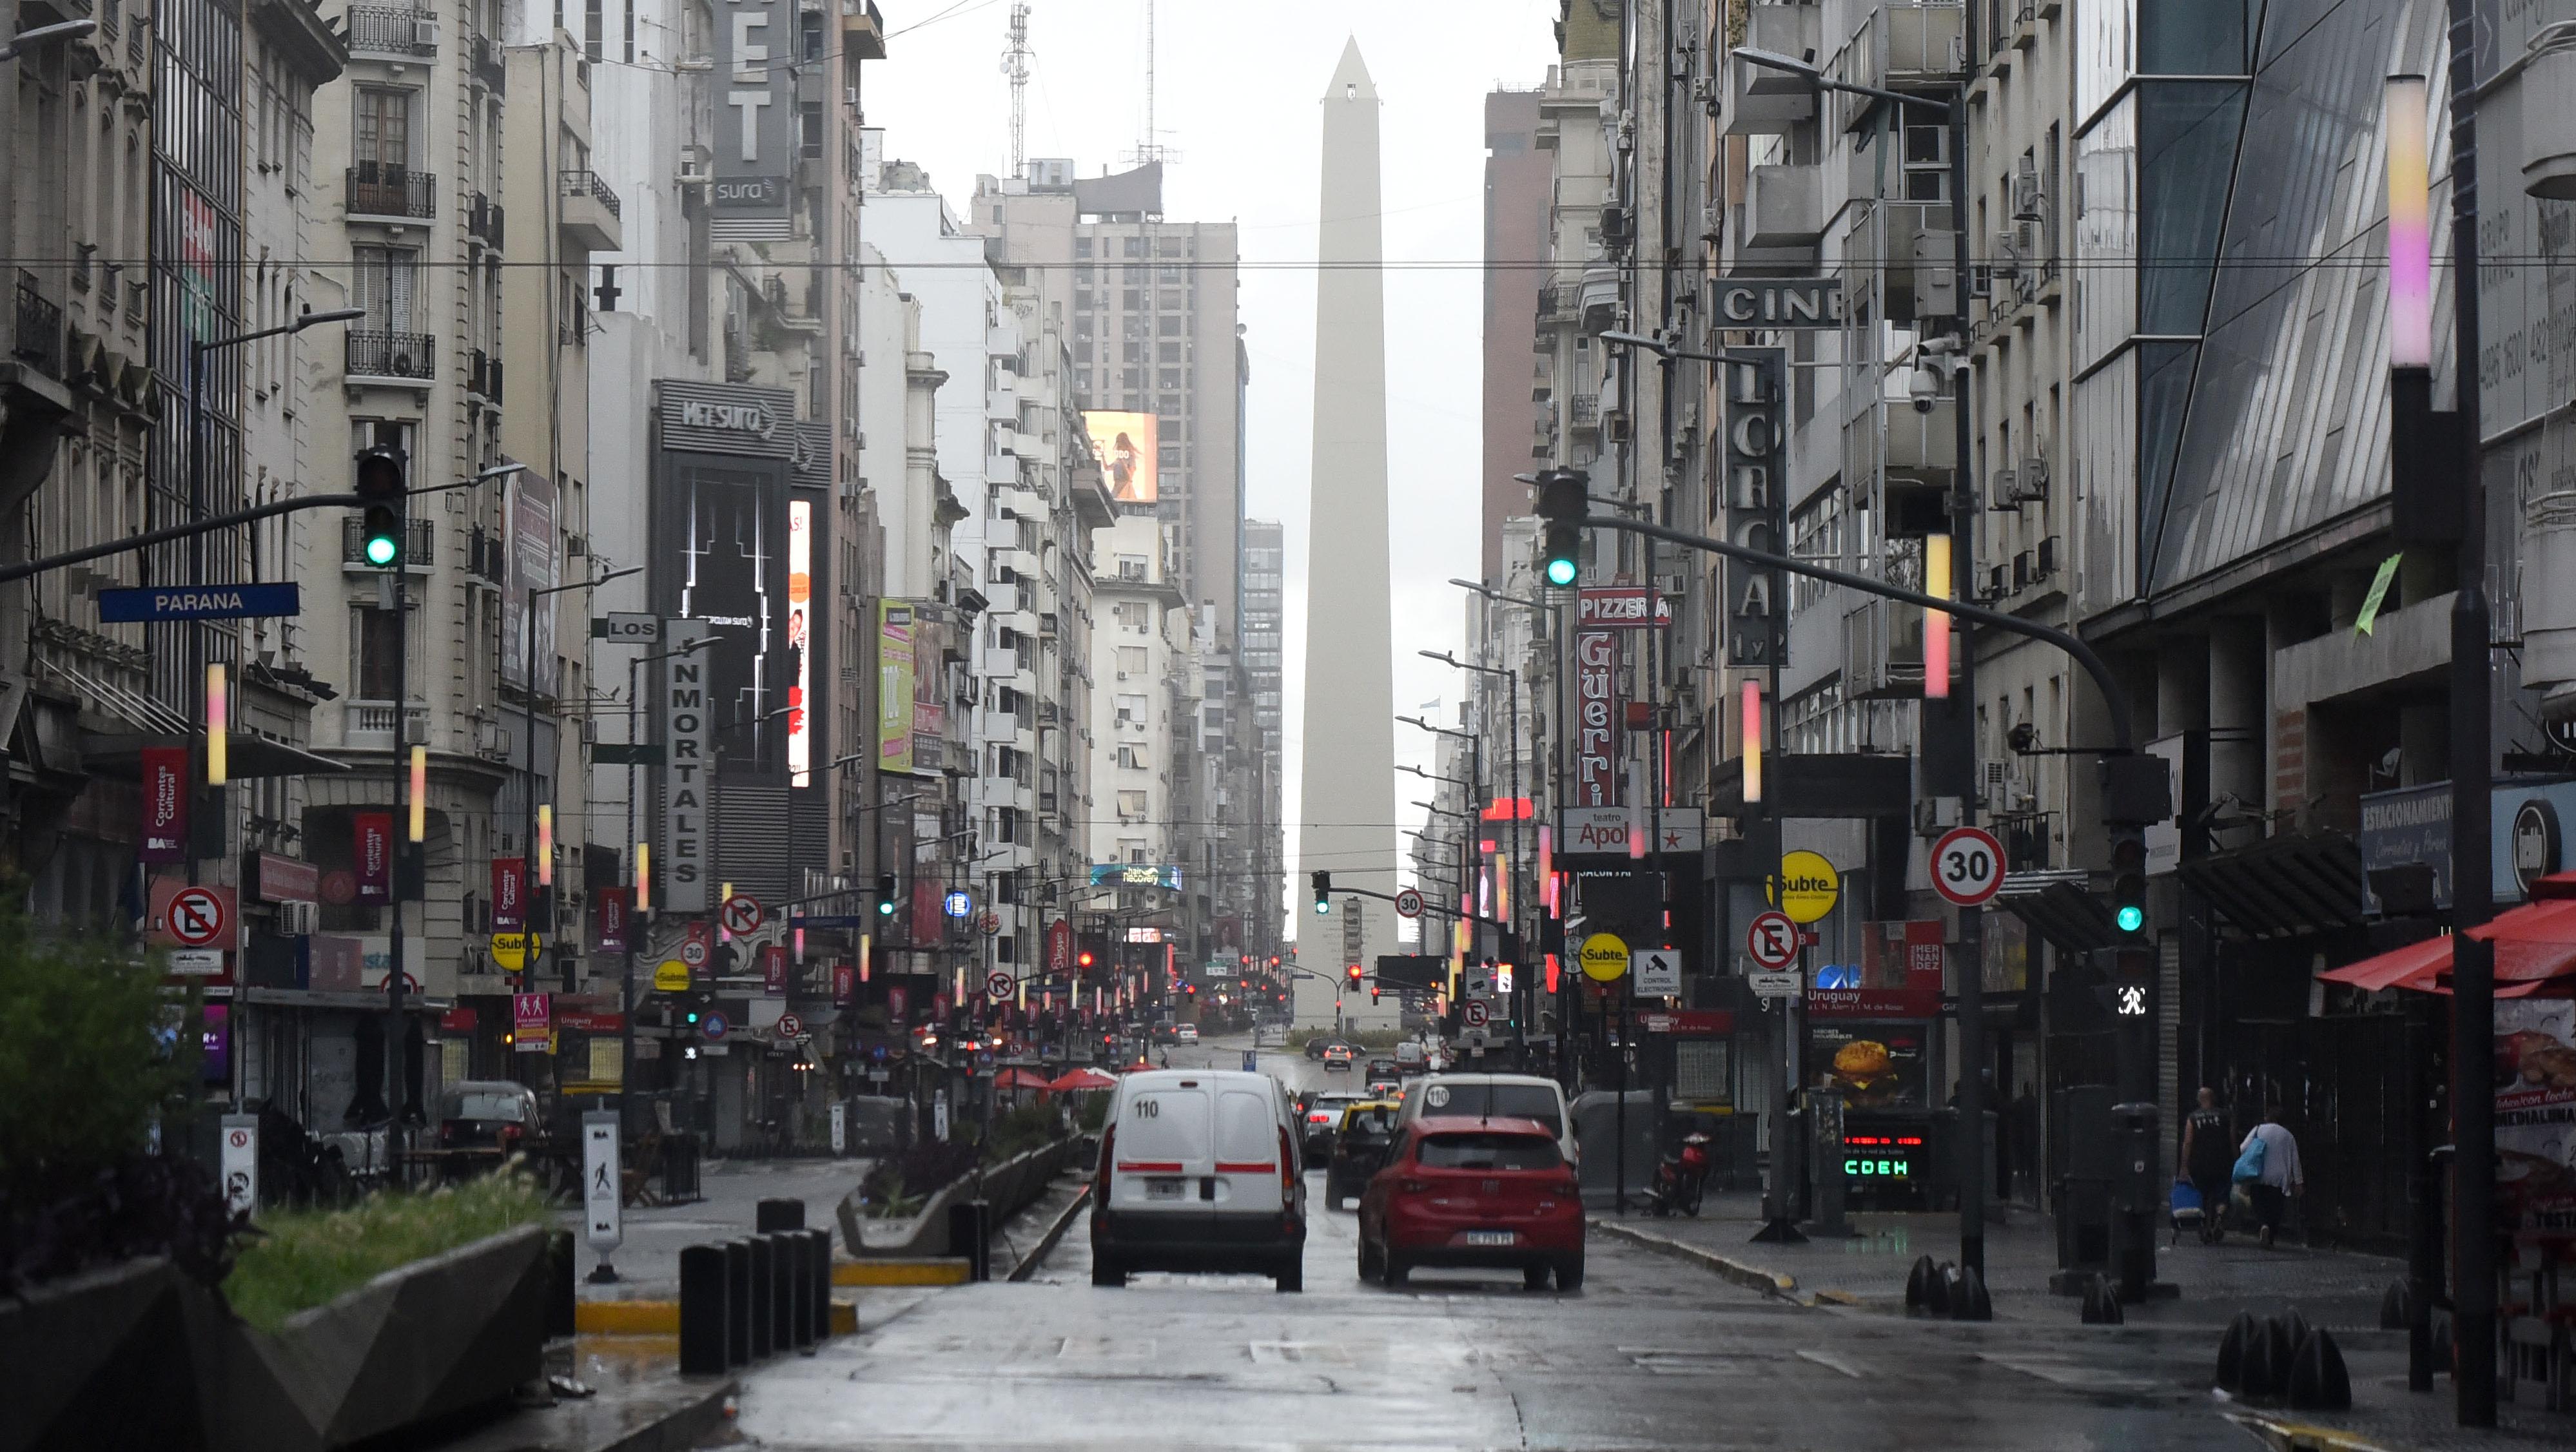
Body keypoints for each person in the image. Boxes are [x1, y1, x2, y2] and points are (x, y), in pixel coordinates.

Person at [2237, 1109, 2304, 1248]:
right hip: (2279, 1177)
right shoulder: (2288, 1136)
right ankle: (2271, 1233)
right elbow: (2295, 1160)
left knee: (2259, 1204)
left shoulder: (2258, 1129)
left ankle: (2263, 1225)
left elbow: (2243, 1148)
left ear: (2267, 1117)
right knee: (2276, 1207)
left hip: (2259, 1174)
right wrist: (2298, 1182)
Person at [2180, 1087, 2233, 1241]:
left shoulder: (2193, 1118)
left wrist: (2184, 1166)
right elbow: (2232, 1140)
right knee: (2222, 1195)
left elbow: (2188, 1143)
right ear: (2214, 1098)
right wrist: (2236, 1159)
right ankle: (2220, 1216)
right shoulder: (2226, 1116)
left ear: (2199, 1100)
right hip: (2222, 1162)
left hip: (2199, 1164)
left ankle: (2205, 1227)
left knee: (2202, 1196)